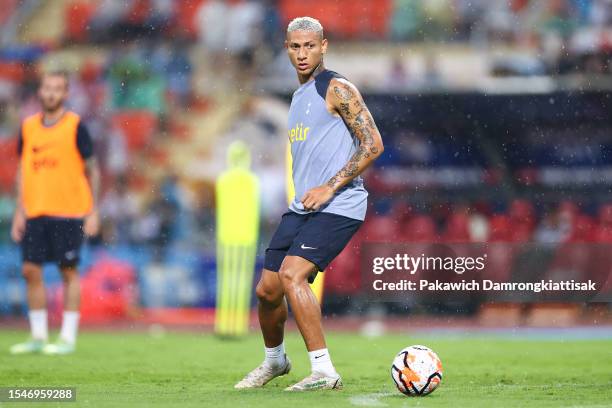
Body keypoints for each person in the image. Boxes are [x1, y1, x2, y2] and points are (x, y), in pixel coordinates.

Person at [235, 17, 384, 391]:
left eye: (309, 46)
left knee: (291, 275)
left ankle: (324, 370)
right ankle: (275, 362)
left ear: (323, 46)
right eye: (295, 47)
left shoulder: (337, 88)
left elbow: (373, 144)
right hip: (302, 208)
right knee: (267, 291)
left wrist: (329, 186)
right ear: (287, 48)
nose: (302, 54)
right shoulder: (298, 97)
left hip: (340, 203)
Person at [9, 71, 100, 355]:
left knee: (68, 272)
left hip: (69, 212)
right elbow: (23, 170)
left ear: (65, 94)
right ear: (40, 92)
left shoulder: (75, 126)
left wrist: (93, 210)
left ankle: (68, 338)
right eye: (47, 88)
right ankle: (37, 336)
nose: (51, 93)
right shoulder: (28, 127)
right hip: (35, 212)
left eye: (57, 89)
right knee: (30, 270)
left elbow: (92, 169)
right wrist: (19, 211)